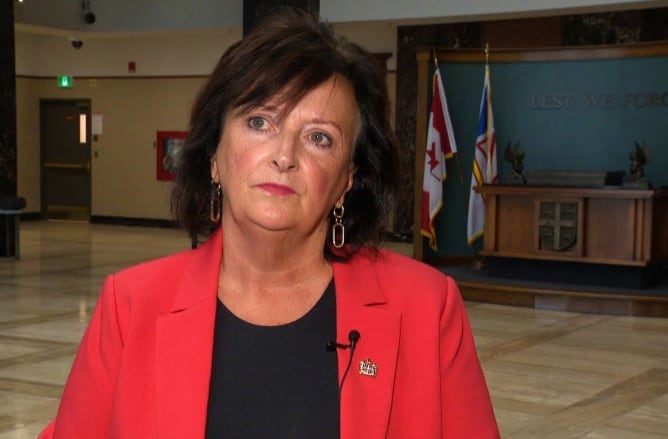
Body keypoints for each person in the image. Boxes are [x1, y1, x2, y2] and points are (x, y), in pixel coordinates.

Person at [39, 9, 499, 439]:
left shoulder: (427, 309)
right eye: (259, 122)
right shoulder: (131, 306)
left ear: (346, 180)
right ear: (214, 155)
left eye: (319, 137)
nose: (284, 155)